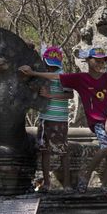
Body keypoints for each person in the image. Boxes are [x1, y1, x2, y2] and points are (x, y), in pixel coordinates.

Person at [20, 47, 107, 192]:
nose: (100, 63)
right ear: (88, 60)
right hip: (97, 120)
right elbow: (56, 77)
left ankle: (104, 185)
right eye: (97, 60)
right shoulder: (81, 78)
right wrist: (33, 73)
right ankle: (85, 176)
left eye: (103, 60)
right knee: (106, 147)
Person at [36, 46, 73, 191]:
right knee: (45, 151)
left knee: (63, 151)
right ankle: (47, 183)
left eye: (53, 65)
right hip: (45, 118)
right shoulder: (41, 76)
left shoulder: (63, 75)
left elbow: (69, 95)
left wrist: (50, 95)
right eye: (48, 64)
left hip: (59, 119)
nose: (50, 68)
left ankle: (67, 184)